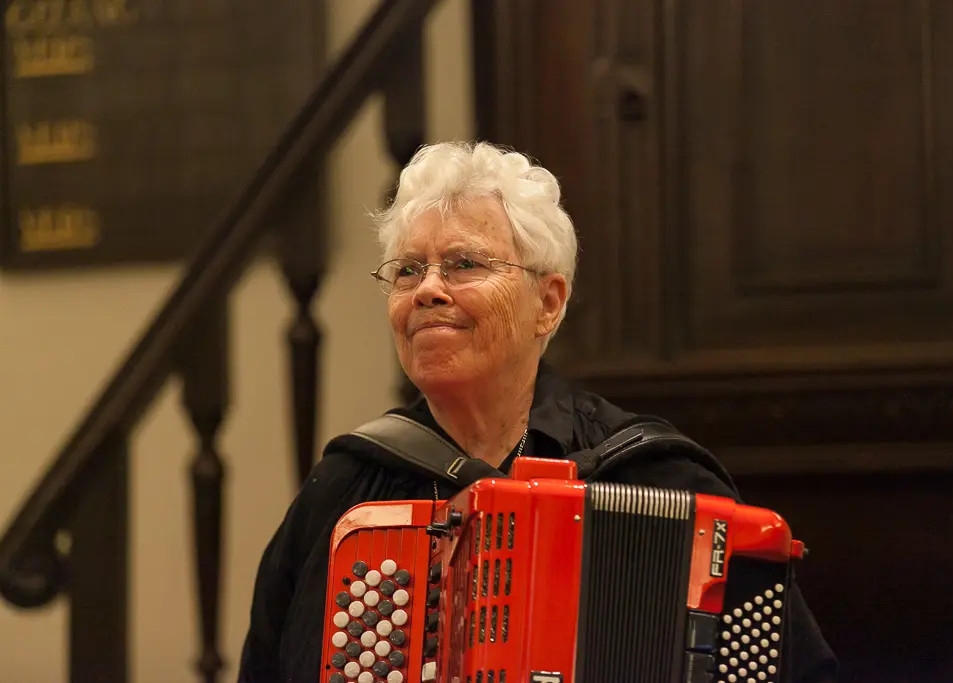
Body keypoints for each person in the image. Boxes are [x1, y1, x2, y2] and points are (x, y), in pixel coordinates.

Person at [237, 141, 838, 682]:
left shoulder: (655, 478)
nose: (427, 289)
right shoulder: (346, 490)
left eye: (464, 264)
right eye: (408, 270)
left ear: (548, 303)